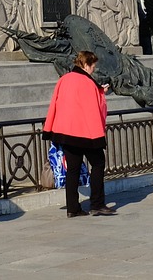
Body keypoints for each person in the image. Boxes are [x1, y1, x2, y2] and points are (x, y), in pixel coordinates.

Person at [43, 50, 113, 217]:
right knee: (98, 163)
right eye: (93, 66)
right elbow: (97, 108)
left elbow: (55, 104)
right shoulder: (88, 83)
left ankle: (72, 208)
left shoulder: (64, 79)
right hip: (85, 133)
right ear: (86, 64)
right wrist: (101, 92)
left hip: (66, 132)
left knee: (72, 169)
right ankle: (97, 204)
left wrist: (50, 128)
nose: (93, 70)